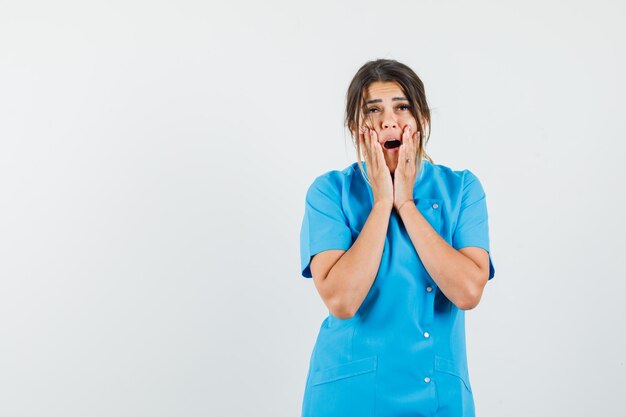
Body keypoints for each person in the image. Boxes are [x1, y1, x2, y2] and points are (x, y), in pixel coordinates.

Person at [298, 58, 496, 417]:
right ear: (356, 127)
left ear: (422, 120)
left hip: (439, 396)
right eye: (373, 110)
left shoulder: (462, 189)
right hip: (348, 398)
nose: (389, 120)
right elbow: (342, 300)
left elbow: (468, 291)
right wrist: (381, 204)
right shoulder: (329, 192)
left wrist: (405, 203)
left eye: (401, 107)